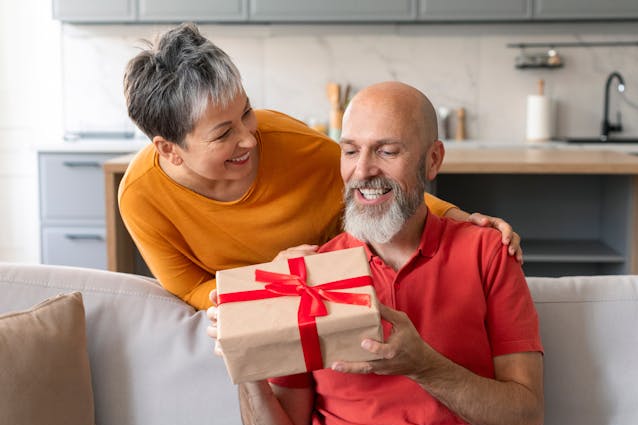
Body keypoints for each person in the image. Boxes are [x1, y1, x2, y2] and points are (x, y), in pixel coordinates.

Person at [208, 82, 544, 425]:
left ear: (432, 160)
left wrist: (424, 366)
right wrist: (245, 359)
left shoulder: (487, 253)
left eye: (386, 151)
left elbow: (526, 420)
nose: (363, 170)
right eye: (350, 150)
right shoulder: (307, 277)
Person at [120, 23, 522, 311]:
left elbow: (375, 187)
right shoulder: (142, 197)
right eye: (223, 133)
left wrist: (460, 219)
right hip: (254, 313)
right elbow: (190, 288)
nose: (248, 137)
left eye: (247, 112)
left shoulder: (296, 146)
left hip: (344, 288)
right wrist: (268, 279)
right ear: (170, 150)